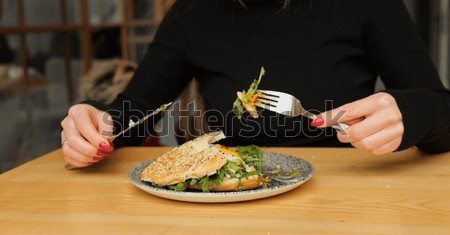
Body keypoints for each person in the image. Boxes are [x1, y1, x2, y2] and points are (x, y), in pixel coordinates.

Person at [61, 0, 450, 168]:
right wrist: (93, 126)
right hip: (228, 201)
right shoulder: (194, 12)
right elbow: (134, 116)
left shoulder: (368, 5)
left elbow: (441, 110)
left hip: (348, 199)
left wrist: (413, 112)